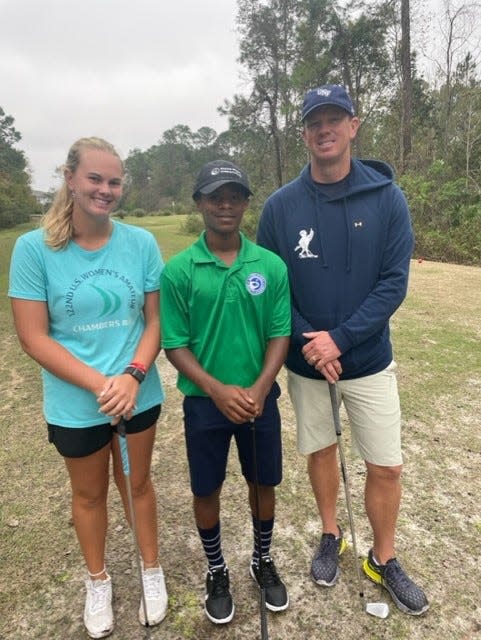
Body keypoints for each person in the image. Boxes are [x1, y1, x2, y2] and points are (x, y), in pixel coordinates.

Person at [257, 85, 429, 616]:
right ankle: (331, 534)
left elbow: (392, 284)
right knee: (321, 451)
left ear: (354, 125)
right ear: (304, 132)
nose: (324, 129)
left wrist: (342, 338)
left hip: (369, 359)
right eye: (314, 121)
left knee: (387, 465)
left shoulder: (388, 198)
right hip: (308, 365)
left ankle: (383, 557)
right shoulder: (281, 207)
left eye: (335, 118)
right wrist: (313, 342)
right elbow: (271, 284)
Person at [8, 137, 168, 638]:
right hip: (76, 402)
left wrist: (133, 376)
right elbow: (33, 337)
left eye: (114, 181)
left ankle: (151, 569)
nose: (105, 189)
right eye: (95, 179)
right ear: (71, 180)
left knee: (137, 485)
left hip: (137, 391)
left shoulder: (140, 243)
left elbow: (155, 320)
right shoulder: (34, 249)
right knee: (89, 493)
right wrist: (104, 384)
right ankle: (97, 580)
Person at [160, 160, 291, 625]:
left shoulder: (270, 265)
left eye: (234, 195)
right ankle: (217, 569)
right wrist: (216, 390)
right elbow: (174, 343)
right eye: (215, 195)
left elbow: (280, 333)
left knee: (263, 483)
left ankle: (261, 558)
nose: (225, 204)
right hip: (204, 404)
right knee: (207, 487)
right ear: (199, 203)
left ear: (245, 203)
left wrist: (259, 387)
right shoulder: (178, 271)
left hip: (260, 401)